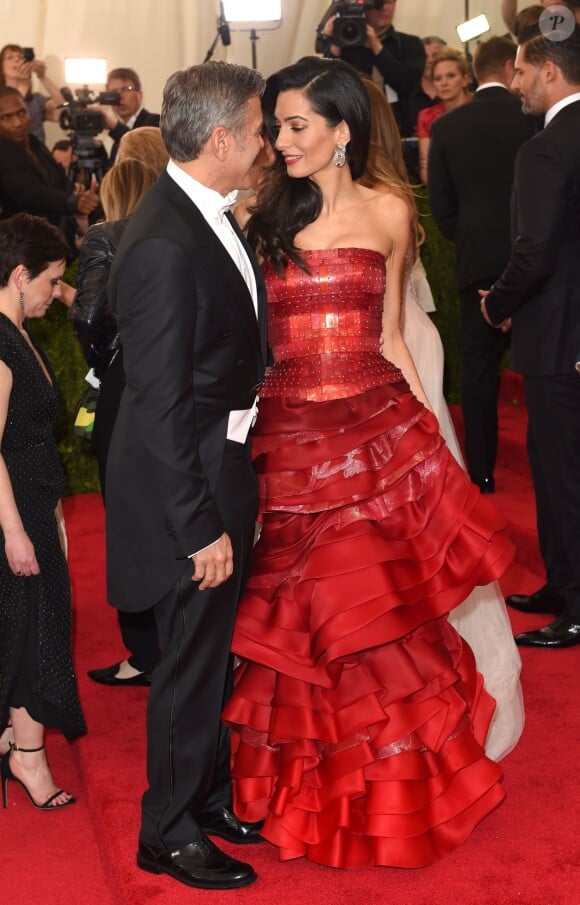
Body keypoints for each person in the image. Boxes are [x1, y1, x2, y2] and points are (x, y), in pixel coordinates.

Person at [221, 55, 515, 869]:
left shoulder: (392, 211)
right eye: (277, 126)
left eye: (296, 124)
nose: (280, 141)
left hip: (376, 437)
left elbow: (389, 335)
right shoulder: (262, 217)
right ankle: (308, 794)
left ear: (341, 129)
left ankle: (396, 791)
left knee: (382, 621)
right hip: (292, 446)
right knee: (306, 629)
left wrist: (429, 444)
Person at [105, 61, 268, 890]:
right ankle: (164, 833)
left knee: (211, 658)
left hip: (217, 464)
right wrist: (198, 520)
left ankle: (201, 798)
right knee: (187, 666)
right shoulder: (167, 239)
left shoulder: (204, 213)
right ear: (222, 140)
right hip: (188, 487)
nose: (268, 141)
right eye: (259, 126)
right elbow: (160, 401)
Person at [360, 74, 524, 762]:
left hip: (392, 349)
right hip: (398, 341)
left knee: (413, 516)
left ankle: (428, 679)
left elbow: (391, 311)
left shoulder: (388, 205)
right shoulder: (381, 194)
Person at [481, 27, 580, 649]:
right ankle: (562, 581)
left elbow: (534, 251)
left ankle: (573, 602)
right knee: (557, 466)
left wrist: (497, 302)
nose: (513, 83)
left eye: (519, 71)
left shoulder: (545, 147)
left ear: (547, 70)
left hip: (559, 337)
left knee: (561, 472)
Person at [72, 133, 169, 688]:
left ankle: (143, 652)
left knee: (128, 514)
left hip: (126, 384)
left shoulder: (107, 234)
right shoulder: (193, 227)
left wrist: (105, 360)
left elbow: (88, 318)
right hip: (183, 386)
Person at [0, 212, 86, 808]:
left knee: (29, 623)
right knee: (36, 627)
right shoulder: (1, 341)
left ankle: (14, 739)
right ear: (19, 274)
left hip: (33, 501)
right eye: (51, 282)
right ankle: (29, 758)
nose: (56, 296)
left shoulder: (17, 327)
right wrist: (15, 532)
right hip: (17, 509)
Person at [428, 37, 536, 494]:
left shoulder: (448, 127)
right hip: (536, 259)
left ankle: (482, 472)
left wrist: (471, 238)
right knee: (548, 368)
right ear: (513, 68)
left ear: (473, 69)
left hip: (477, 262)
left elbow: (442, 208)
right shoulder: (534, 118)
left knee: (477, 369)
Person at [0, 87, 99, 249]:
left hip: (53, 241)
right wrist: (74, 202)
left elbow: (55, 182)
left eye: (21, 113)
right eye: (6, 117)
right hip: (21, 247)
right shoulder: (3, 151)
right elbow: (29, 191)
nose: (17, 122)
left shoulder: (34, 143)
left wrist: (76, 190)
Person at [323, 0, 425, 137]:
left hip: (397, 127)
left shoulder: (410, 44)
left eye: (388, 2)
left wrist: (377, 48)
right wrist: (334, 43)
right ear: (365, 7)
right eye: (377, 3)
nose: (383, 8)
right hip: (353, 128)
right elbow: (327, 84)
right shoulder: (346, 45)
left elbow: (407, 84)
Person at [416, 47, 472, 184]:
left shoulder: (480, 106)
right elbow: (426, 167)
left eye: (451, 76)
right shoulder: (427, 116)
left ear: (465, 79)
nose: (444, 83)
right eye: (438, 78)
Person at [0, 44, 65, 143]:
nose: (17, 60)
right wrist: (23, 85)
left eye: (21, 57)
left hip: (34, 156)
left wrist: (42, 76)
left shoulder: (36, 100)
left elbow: (63, 109)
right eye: (10, 57)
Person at [99, 68, 160, 164]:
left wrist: (115, 126)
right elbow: (114, 176)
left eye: (125, 89)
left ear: (139, 94)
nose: (119, 97)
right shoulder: (118, 137)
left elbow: (141, 151)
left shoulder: (155, 122)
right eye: (113, 92)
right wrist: (98, 148)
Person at [407, 35, 446, 134]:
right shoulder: (407, 92)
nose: (430, 61)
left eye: (435, 55)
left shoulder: (455, 91)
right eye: (425, 56)